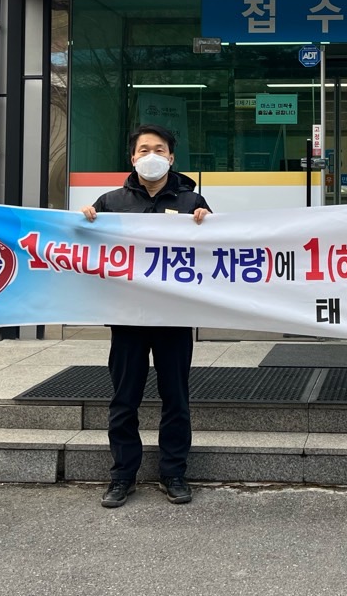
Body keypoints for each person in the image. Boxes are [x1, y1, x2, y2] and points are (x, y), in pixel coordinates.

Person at [80, 124, 210, 508]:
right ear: (132, 157)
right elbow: (86, 248)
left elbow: (215, 253)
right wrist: (83, 223)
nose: (151, 156)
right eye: (144, 150)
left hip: (173, 317)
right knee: (124, 399)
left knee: (176, 398)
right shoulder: (110, 202)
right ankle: (122, 475)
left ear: (171, 157)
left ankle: (174, 473)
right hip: (127, 317)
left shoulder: (191, 201)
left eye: (159, 149)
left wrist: (208, 222)